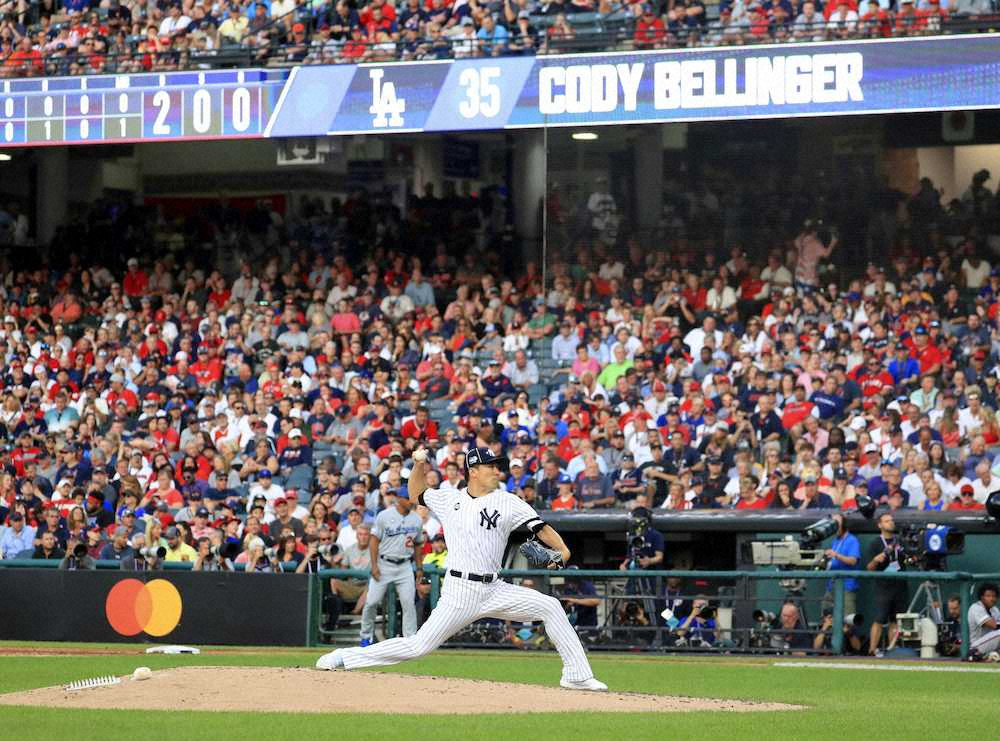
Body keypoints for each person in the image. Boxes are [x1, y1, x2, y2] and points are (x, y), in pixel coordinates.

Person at [316, 446, 607, 691]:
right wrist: (418, 463)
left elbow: (541, 529)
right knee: (418, 646)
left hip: (495, 588)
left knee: (550, 607)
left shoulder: (508, 501)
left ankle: (576, 674)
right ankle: (345, 657)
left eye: (497, 466)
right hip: (459, 591)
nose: (497, 471)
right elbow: (417, 492)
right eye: (491, 466)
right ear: (474, 470)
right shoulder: (448, 498)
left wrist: (564, 551)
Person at [358, 489, 423, 646]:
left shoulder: (416, 519)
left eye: (412, 498)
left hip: (405, 565)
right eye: (408, 498)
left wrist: (419, 567)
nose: (411, 501)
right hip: (384, 563)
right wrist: (374, 565)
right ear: (399, 499)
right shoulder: (384, 516)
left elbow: (418, 544)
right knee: (372, 602)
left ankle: (410, 640)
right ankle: (366, 636)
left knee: (408, 603)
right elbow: (374, 541)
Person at [865, 512, 908, 656]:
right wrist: (876, 560)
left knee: (895, 620)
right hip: (883, 587)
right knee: (879, 619)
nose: (891, 523)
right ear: (880, 525)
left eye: (892, 520)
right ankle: (872, 650)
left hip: (900, 586)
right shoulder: (875, 543)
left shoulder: (901, 541)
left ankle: (892, 650)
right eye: (887, 521)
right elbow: (869, 568)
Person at [822, 513, 861, 616]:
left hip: (846, 587)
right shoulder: (835, 541)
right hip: (831, 586)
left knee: (847, 620)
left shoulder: (852, 540)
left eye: (837, 524)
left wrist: (836, 555)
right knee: (826, 617)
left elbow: (853, 560)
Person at [968, 583, 1000, 659]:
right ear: (982, 597)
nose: (992, 599)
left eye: (994, 596)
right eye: (988, 596)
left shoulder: (994, 609)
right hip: (976, 646)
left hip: (990, 643)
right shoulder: (976, 608)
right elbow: (994, 625)